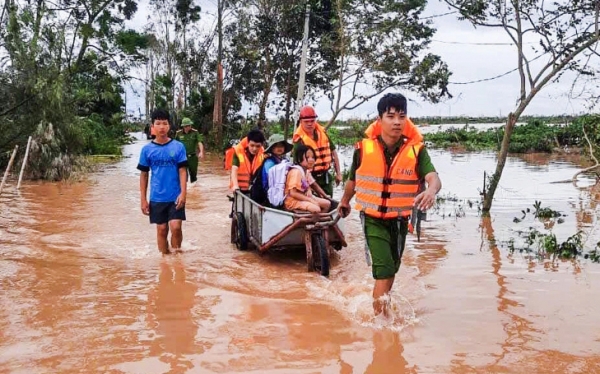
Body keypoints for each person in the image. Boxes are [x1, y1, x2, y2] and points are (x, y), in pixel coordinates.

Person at [337, 93, 442, 317]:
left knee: (393, 269)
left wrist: (431, 191)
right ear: (380, 119)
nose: (397, 122)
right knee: (384, 272)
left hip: (400, 220)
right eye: (391, 116)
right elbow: (352, 180)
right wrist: (345, 201)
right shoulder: (363, 148)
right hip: (373, 219)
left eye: (402, 116)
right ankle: (381, 325)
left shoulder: (417, 151)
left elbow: (433, 177)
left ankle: (383, 307)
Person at [137, 108, 188, 255]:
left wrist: (183, 193)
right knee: (162, 229)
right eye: (158, 123)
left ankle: (177, 258)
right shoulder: (147, 150)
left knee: (176, 227)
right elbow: (144, 175)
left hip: (175, 196)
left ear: (169, 126)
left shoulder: (178, 147)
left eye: (164, 123)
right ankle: (165, 259)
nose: (161, 127)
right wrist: (143, 199)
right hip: (157, 197)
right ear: (152, 127)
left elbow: (183, 171)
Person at [292, 105, 342, 197]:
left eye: (312, 121)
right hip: (310, 178)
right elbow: (297, 165)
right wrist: (306, 186)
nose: (310, 124)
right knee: (316, 207)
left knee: (329, 202)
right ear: (301, 122)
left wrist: (338, 173)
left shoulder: (322, 133)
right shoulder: (299, 140)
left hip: (325, 177)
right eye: (306, 122)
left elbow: (334, 152)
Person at [284, 144, 331, 213]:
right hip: (293, 201)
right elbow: (293, 193)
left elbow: (314, 185)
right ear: (299, 159)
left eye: (313, 157)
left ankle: (318, 221)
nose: (311, 160)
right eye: (307, 157)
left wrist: (325, 196)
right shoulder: (296, 172)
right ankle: (312, 221)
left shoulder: (307, 171)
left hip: (303, 197)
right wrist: (310, 200)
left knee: (327, 204)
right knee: (316, 209)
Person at [250, 133, 292, 205]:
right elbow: (270, 182)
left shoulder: (285, 160)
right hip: (268, 194)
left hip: (281, 191)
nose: (279, 148)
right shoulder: (269, 163)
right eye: (276, 146)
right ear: (272, 148)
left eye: (281, 146)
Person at [230, 129, 265, 194]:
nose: (254, 149)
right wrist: (235, 185)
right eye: (252, 145)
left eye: (258, 146)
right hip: (240, 189)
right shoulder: (238, 151)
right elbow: (234, 169)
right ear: (248, 143)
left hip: (254, 189)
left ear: (261, 145)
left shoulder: (263, 153)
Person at [175, 117, 204, 184]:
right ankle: (186, 190)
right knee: (183, 175)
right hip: (182, 157)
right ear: (183, 126)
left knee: (193, 175)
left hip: (193, 157)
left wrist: (201, 152)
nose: (188, 127)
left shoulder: (195, 132)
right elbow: (175, 145)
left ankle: (194, 189)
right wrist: (173, 155)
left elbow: (200, 142)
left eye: (189, 125)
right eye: (187, 126)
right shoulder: (178, 133)